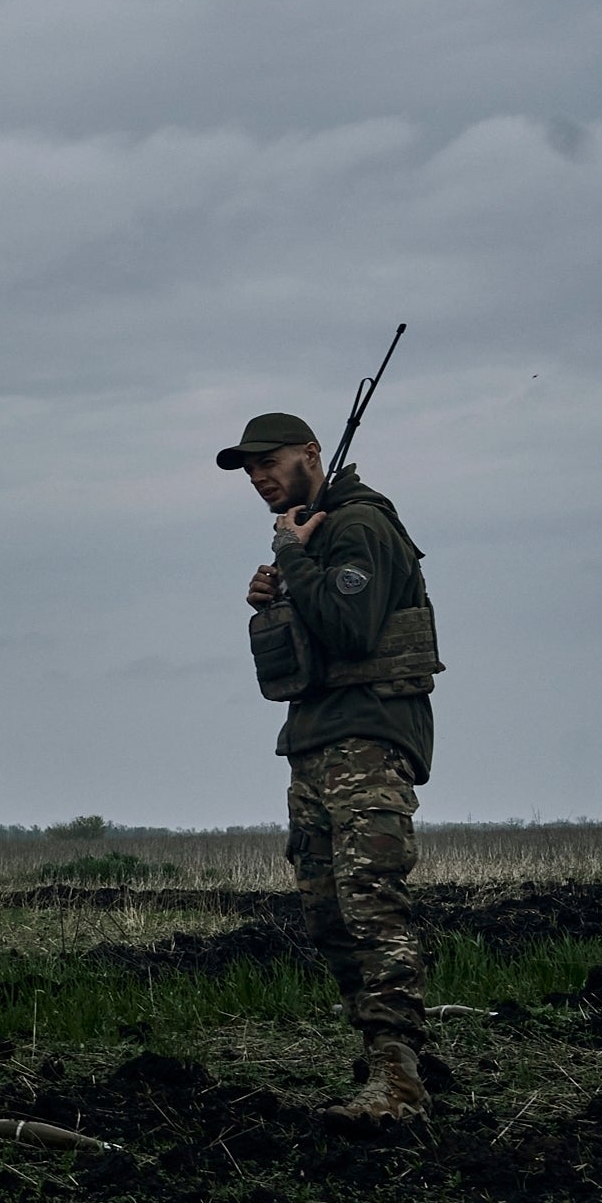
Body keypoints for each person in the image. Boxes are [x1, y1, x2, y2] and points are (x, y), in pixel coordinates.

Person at [222, 411, 443, 1126]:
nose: (259, 476)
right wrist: (276, 595)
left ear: (312, 455)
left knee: (370, 901)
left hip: (369, 737)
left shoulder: (359, 526)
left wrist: (291, 557)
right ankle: (386, 1057)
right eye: (249, 468)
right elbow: (312, 637)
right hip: (316, 738)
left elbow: (351, 627)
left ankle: (397, 1075)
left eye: (270, 461)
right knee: (327, 910)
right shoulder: (313, 533)